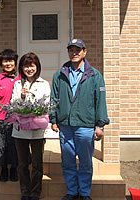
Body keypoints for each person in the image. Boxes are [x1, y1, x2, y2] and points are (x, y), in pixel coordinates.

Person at [50, 39, 110, 200]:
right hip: (66, 126)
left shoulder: (95, 75)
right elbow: (54, 98)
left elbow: (100, 101)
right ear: (68, 52)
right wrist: (53, 119)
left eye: (78, 50)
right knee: (68, 161)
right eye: (71, 50)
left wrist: (100, 125)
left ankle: (84, 193)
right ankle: (72, 191)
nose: (74, 53)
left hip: (85, 126)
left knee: (85, 162)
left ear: (85, 52)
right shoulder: (60, 74)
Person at [10, 52, 50, 200]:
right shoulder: (17, 84)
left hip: (37, 130)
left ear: (37, 67)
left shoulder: (44, 84)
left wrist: (32, 97)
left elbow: (46, 105)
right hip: (20, 130)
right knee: (22, 164)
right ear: (21, 68)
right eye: (26, 66)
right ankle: (25, 191)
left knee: (37, 164)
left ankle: (35, 192)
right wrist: (21, 96)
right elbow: (12, 105)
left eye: (32, 65)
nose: (29, 69)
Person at [0, 49, 20, 182]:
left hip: (16, 118)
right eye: (5, 61)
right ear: (1, 63)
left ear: (15, 62)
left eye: (10, 60)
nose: (8, 63)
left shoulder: (20, 78)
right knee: (1, 145)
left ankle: (14, 169)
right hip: (1, 117)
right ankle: (3, 170)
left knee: (14, 145)